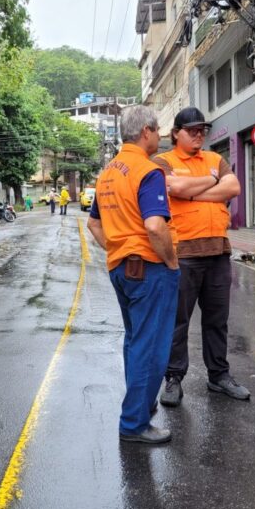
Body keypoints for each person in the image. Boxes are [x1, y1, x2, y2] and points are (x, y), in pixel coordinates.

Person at [87, 104, 180, 444]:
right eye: (157, 130)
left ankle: (139, 406)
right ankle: (134, 423)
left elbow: (94, 223)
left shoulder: (108, 172)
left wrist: (117, 249)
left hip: (121, 268)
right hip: (150, 268)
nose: (159, 136)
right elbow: (155, 226)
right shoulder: (147, 170)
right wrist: (170, 261)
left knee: (134, 340)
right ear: (146, 132)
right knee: (150, 345)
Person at [154, 107, 250, 407]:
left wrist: (194, 191)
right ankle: (173, 378)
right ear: (176, 133)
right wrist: (212, 183)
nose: (199, 135)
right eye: (192, 130)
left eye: (202, 130)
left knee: (217, 320)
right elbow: (175, 187)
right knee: (177, 320)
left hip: (218, 252)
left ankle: (218, 376)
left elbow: (233, 187)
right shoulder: (163, 161)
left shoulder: (214, 159)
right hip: (183, 252)